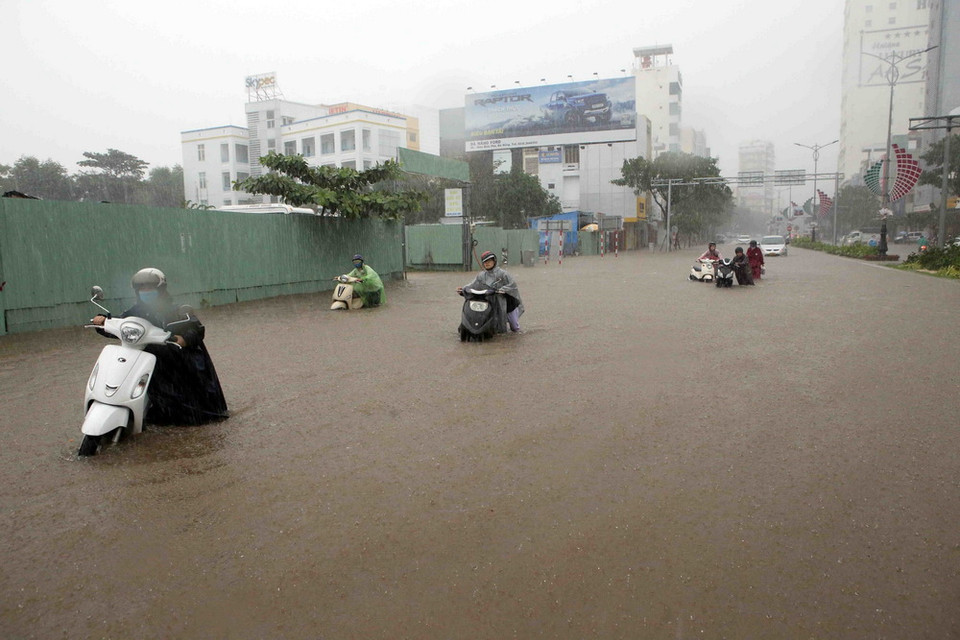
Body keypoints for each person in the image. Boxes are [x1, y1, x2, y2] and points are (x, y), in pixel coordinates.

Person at [92, 268, 228, 426]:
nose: (145, 292)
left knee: (196, 409)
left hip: (176, 359)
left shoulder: (177, 310)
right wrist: (103, 322)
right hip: (149, 360)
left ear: (161, 289)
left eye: (150, 288)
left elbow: (196, 329)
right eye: (142, 288)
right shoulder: (135, 312)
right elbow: (122, 325)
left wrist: (183, 339)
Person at [458, 250, 524, 333]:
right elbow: (473, 284)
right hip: (491, 301)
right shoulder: (481, 275)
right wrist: (463, 289)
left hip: (507, 303)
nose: (487, 263)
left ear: (494, 261)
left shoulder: (503, 274)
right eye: (485, 262)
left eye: (489, 261)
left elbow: (513, 286)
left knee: (514, 327)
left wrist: (502, 290)